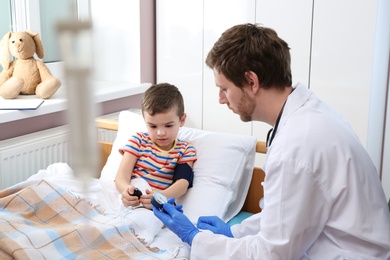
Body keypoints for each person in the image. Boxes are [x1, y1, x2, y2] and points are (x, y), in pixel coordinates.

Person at [152, 23, 390, 259]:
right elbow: (287, 214)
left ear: (251, 81)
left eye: (224, 89)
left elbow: (271, 255)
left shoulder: (296, 146)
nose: (221, 100)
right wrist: (235, 231)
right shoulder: (305, 115)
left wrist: (195, 238)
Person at [115, 83, 197, 210]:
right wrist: (126, 191)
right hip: (131, 201)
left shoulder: (185, 150)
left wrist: (160, 196)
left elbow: (182, 183)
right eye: (153, 126)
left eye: (168, 125)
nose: (160, 133)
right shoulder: (138, 140)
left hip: (155, 206)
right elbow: (121, 176)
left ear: (182, 120)